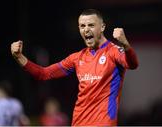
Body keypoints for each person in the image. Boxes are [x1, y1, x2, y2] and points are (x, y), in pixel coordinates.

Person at [11, 9, 139, 126]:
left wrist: (125, 44)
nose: (86, 29)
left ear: (102, 27)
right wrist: (19, 57)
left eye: (91, 25)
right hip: (78, 122)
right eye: (82, 26)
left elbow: (133, 64)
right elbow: (44, 73)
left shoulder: (114, 52)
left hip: (103, 123)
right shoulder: (77, 58)